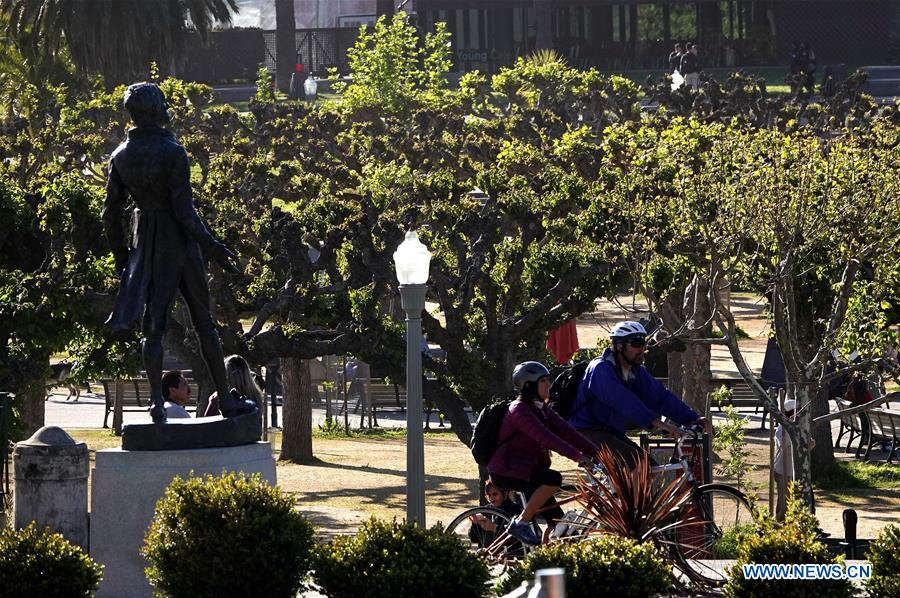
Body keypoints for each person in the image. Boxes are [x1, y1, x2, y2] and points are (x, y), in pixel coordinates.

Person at [102, 82, 254, 423]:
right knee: (205, 325)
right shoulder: (173, 152)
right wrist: (211, 245)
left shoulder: (121, 156)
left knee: (152, 329)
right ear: (157, 110)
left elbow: (110, 214)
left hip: (146, 245)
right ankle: (227, 403)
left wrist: (123, 257)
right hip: (180, 243)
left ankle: (157, 402)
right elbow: (185, 211)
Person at [487, 361, 598, 545]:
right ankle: (521, 523)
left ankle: (544, 558)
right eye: (544, 381)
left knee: (557, 523)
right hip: (506, 471)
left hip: (526, 470)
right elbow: (546, 438)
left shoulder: (540, 408)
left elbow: (567, 431)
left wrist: (598, 452)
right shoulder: (519, 410)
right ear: (529, 386)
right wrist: (578, 456)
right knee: (553, 479)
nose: (549, 384)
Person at [569, 321, 705, 469]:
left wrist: (693, 419)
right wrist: (660, 425)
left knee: (650, 467)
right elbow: (624, 402)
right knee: (640, 466)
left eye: (644, 343)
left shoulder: (635, 371)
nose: (642, 349)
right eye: (637, 343)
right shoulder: (601, 369)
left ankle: (627, 493)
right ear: (619, 346)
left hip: (610, 432)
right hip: (585, 433)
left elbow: (661, 397)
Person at [774, 399, 815, 521]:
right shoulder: (782, 429)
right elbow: (788, 446)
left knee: (807, 497)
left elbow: (808, 443)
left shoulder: (800, 427)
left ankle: (808, 522)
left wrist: (808, 445)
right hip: (784, 470)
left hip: (798, 469)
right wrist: (804, 446)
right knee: (784, 502)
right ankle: (781, 523)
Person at [467, 482, 522, 548]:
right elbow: (474, 538)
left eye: (495, 494)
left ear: (505, 493)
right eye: (489, 495)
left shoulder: (515, 510)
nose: (491, 498)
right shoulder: (486, 510)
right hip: (488, 553)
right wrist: (476, 524)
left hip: (511, 553)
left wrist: (493, 527)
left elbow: (518, 538)